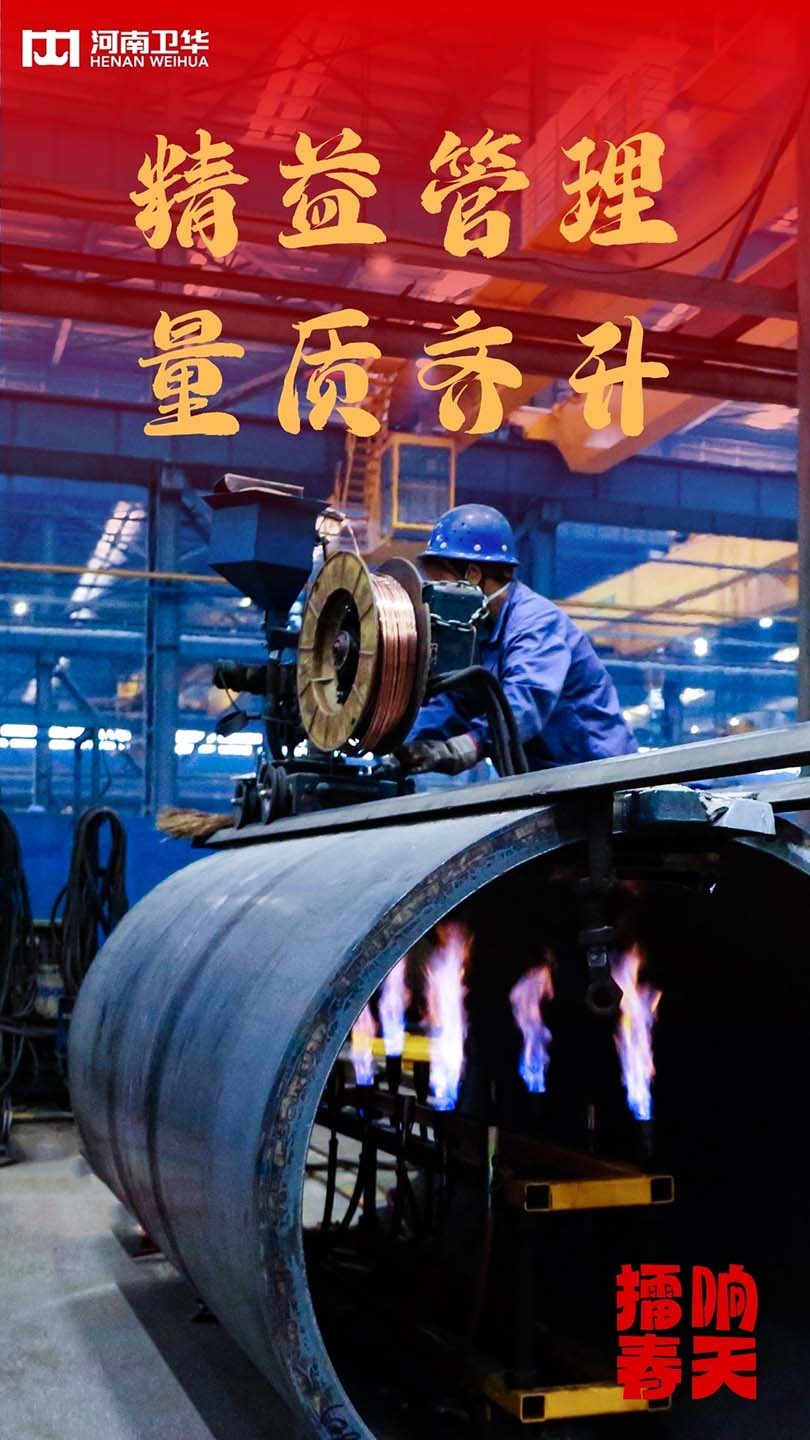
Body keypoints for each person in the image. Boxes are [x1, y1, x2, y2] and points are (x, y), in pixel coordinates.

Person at [398, 503, 637, 776]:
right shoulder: (475, 632)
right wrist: (406, 745)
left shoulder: (535, 623)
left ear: (472, 576)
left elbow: (525, 703)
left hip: (601, 774)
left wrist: (461, 748)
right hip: (546, 778)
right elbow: (453, 700)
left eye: (442, 584)